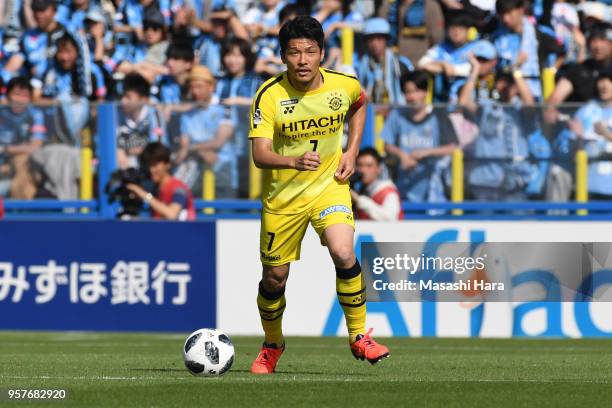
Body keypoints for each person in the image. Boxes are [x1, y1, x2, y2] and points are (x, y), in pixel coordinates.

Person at [248, 15, 389, 374]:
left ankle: (360, 335)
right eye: (294, 52)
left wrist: (352, 151)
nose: (303, 60)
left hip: (329, 188)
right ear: (282, 56)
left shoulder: (343, 86)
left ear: (322, 53)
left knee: (344, 252)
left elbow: (360, 103)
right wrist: (292, 160)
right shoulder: (270, 95)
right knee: (274, 279)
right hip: (284, 200)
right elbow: (259, 154)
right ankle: (272, 344)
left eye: (310, 51)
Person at [382, 70, 458, 203]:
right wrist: (403, 156)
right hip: (403, 189)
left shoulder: (439, 115)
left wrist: (426, 152)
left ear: (425, 92)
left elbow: (453, 147)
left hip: (433, 191)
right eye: (407, 92)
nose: (412, 97)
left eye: (416, 91)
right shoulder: (397, 115)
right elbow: (387, 145)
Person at [174, 66, 237, 198]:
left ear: (211, 87)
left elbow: (218, 143)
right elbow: (183, 145)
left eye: (199, 86)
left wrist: (192, 148)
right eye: (192, 87)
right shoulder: (187, 115)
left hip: (223, 173)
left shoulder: (225, 110)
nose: (195, 91)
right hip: (196, 174)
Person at [0, 77, 47, 199]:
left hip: (20, 166)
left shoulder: (35, 115)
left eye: (25, 95)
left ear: (30, 98)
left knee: (22, 163)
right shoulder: (2, 111)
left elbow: (35, 146)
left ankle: (19, 213)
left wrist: (5, 149)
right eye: (16, 94)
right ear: (8, 96)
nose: (20, 100)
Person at [127, 142, 196, 220]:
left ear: (167, 164)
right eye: (148, 165)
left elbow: (171, 214)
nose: (151, 170)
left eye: (155, 165)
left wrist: (143, 194)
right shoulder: (155, 189)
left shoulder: (178, 188)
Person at [354, 17, 413, 105]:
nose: (375, 43)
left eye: (379, 38)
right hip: (369, 111)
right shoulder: (359, 63)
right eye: (370, 39)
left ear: (386, 40)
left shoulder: (401, 64)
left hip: (396, 110)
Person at [117, 73, 167, 169]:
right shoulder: (116, 115)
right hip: (122, 165)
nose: (123, 101)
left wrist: (128, 151)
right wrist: (118, 152)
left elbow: (157, 149)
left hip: (148, 166)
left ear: (143, 100)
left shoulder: (155, 115)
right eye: (123, 96)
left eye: (128, 97)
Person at [350, 147, 403, 220]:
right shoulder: (362, 189)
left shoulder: (388, 192)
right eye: (359, 165)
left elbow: (391, 219)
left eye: (369, 166)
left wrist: (358, 200)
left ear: (379, 169)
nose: (363, 170)